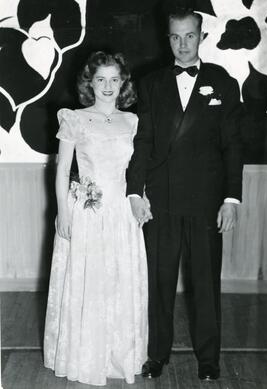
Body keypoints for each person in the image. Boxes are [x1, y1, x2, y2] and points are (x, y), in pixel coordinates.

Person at [126, 6, 243, 381]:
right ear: (168, 39)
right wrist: (134, 192)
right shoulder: (151, 83)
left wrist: (231, 199)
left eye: (189, 36)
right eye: (175, 37)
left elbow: (232, 146)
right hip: (161, 201)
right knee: (159, 282)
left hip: (206, 201)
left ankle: (208, 359)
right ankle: (156, 355)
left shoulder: (222, 81)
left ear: (202, 37)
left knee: (205, 285)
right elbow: (142, 142)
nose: (182, 44)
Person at [43, 51, 149, 386]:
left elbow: (138, 171)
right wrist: (62, 212)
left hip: (121, 214)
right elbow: (61, 170)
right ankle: (85, 356)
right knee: (88, 281)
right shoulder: (74, 118)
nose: (107, 86)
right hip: (87, 213)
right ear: (90, 83)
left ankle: (118, 355)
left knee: (118, 282)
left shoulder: (131, 122)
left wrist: (141, 197)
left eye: (114, 79)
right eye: (100, 79)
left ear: (123, 83)